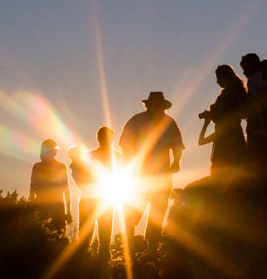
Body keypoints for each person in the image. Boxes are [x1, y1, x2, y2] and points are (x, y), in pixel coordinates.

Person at [119, 91, 184, 249]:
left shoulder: (141, 120)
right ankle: (133, 250)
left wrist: (176, 162)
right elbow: (125, 146)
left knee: (154, 213)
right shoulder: (162, 121)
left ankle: (149, 250)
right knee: (135, 213)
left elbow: (177, 146)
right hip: (143, 176)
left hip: (154, 176)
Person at [198, 65, 248, 181]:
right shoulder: (238, 91)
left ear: (225, 77)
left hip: (226, 136)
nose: (217, 81)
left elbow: (224, 114)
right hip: (233, 133)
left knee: (221, 173)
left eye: (218, 78)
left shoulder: (228, 94)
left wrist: (210, 116)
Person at [77, 127, 120, 260]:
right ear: (98, 139)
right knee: (86, 234)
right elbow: (78, 175)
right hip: (92, 199)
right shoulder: (88, 156)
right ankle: (85, 262)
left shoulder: (117, 157)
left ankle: (100, 263)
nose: (108, 140)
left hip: (105, 199)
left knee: (104, 234)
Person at [29, 139, 71, 235]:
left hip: (57, 207)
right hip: (42, 205)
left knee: (58, 235)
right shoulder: (37, 167)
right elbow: (32, 188)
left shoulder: (61, 167)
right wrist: (31, 207)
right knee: (42, 235)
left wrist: (68, 211)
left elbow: (66, 189)